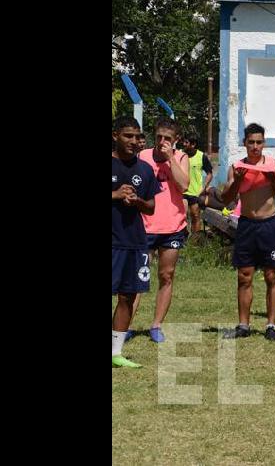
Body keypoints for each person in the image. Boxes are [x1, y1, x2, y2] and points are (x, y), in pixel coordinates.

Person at [218, 123, 275, 341]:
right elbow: (226, 198)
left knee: (272, 275)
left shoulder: (272, 165)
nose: (255, 146)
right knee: (244, 277)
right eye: (251, 142)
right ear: (244, 143)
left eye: (259, 142)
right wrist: (239, 181)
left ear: (264, 143)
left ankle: (271, 325)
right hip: (246, 225)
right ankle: (243, 324)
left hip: (269, 225)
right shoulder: (237, 167)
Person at [134, 117, 190, 343]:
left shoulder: (181, 157)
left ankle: (156, 325)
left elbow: (184, 185)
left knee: (166, 275)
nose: (162, 142)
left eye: (168, 138)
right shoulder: (142, 156)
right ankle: (124, 326)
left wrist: (170, 159)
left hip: (173, 226)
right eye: (159, 137)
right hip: (144, 226)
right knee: (137, 278)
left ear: (175, 140)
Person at [111, 116, 160, 368]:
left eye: (136, 136)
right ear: (115, 136)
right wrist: (116, 195)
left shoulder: (144, 170)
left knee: (128, 296)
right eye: (127, 135)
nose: (133, 141)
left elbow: (151, 207)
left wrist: (137, 202)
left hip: (134, 242)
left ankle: (115, 353)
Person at [180, 132, 213, 234]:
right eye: (184, 142)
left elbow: (209, 173)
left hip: (195, 193)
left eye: (186, 142)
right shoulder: (179, 154)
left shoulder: (201, 156)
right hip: (182, 192)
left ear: (193, 144)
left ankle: (195, 240)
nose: (184, 144)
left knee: (195, 216)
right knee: (182, 216)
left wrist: (204, 187)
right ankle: (182, 239)